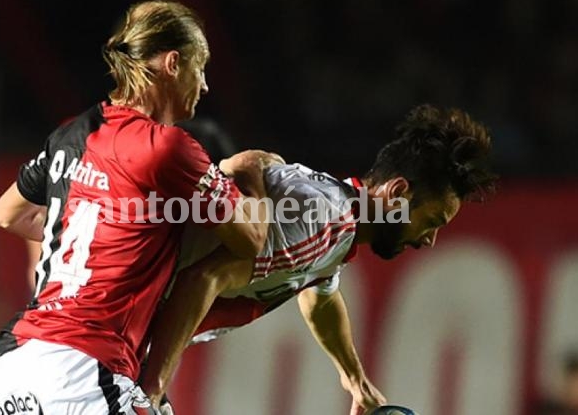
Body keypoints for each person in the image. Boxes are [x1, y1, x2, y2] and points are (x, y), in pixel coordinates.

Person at [0, 1, 278, 414]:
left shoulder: (74, 133)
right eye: (201, 67)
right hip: (83, 371)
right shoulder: (167, 147)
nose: (205, 85)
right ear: (174, 63)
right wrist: (252, 171)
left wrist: (110, 228)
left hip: (12, 368)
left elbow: (8, 214)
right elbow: (252, 238)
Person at [140, 104, 498, 414]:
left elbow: (320, 295)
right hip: (113, 318)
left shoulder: (337, 221)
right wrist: (150, 390)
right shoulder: (324, 219)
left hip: (128, 329)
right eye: (431, 221)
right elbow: (204, 277)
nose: (431, 240)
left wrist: (354, 379)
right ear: (398, 192)